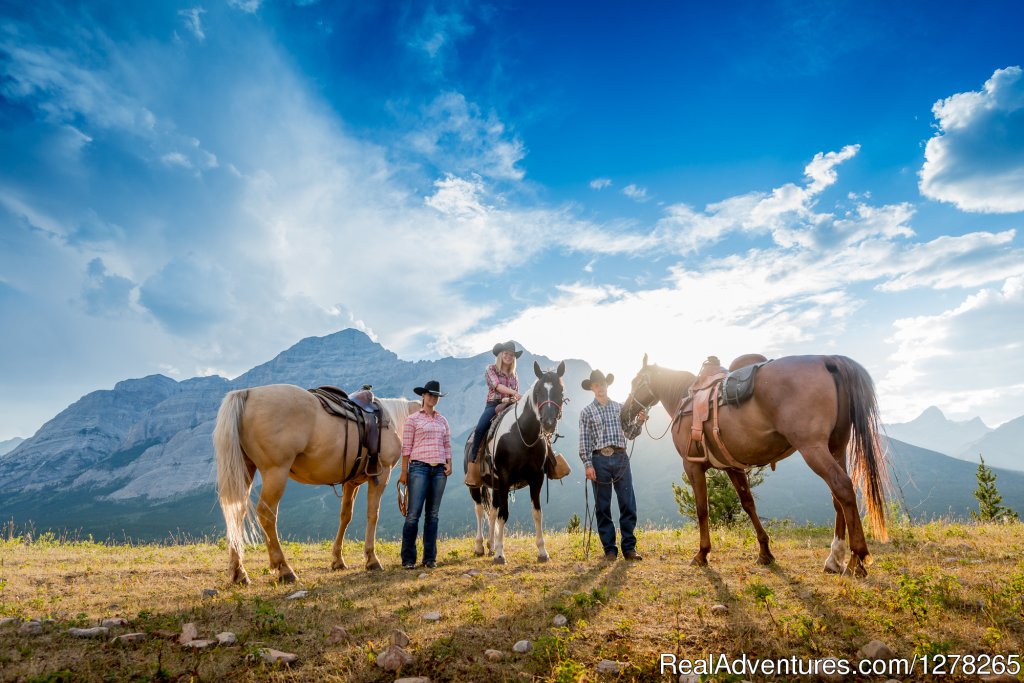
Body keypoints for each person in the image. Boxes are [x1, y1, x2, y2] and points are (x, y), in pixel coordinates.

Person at [578, 369, 647, 561]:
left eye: (603, 384)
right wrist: (587, 464)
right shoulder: (586, 412)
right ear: (592, 388)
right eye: (596, 385)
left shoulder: (619, 408)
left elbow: (630, 433)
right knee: (602, 506)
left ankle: (629, 548)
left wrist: (639, 422)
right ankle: (609, 549)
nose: (600, 387)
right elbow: (585, 441)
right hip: (599, 460)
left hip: (620, 457)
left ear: (607, 385)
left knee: (627, 503)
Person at [400, 380, 453, 569]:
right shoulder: (413, 419)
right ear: (423, 396)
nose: (433, 398)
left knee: (433, 514)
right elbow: (406, 448)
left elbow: (447, 444)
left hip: (439, 470)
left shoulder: (442, 420)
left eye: (436, 395)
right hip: (419, 468)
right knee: (413, 514)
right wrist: (403, 472)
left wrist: (449, 463)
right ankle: (408, 559)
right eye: (430, 394)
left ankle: (430, 558)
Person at [464, 341, 522, 486]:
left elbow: (513, 395)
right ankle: (473, 461)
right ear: (501, 355)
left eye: (511, 354)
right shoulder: (491, 369)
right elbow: (497, 386)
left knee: (530, 422)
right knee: (481, 428)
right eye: (506, 353)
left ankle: (547, 458)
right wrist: (513, 393)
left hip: (511, 404)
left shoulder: (514, 376)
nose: (508, 356)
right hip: (493, 405)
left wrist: (512, 398)